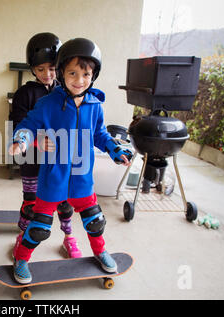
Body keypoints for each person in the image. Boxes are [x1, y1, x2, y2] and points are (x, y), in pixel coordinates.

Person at [9, 38, 133, 284]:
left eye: (85, 74)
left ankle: (100, 252)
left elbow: (100, 134)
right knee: (40, 226)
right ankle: (21, 257)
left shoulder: (95, 105)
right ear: (63, 73)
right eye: (72, 73)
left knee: (95, 221)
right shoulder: (48, 103)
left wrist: (115, 150)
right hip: (53, 178)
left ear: (93, 75)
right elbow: (28, 124)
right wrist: (22, 140)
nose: (79, 80)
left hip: (82, 178)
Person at [9, 32, 82, 260]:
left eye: (51, 68)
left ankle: (69, 238)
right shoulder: (25, 93)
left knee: (65, 204)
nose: (47, 74)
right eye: (40, 69)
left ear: (59, 67)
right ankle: (23, 236)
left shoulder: (66, 92)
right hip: (31, 160)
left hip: (59, 162)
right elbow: (18, 124)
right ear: (32, 69)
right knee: (31, 203)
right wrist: (36, 139)